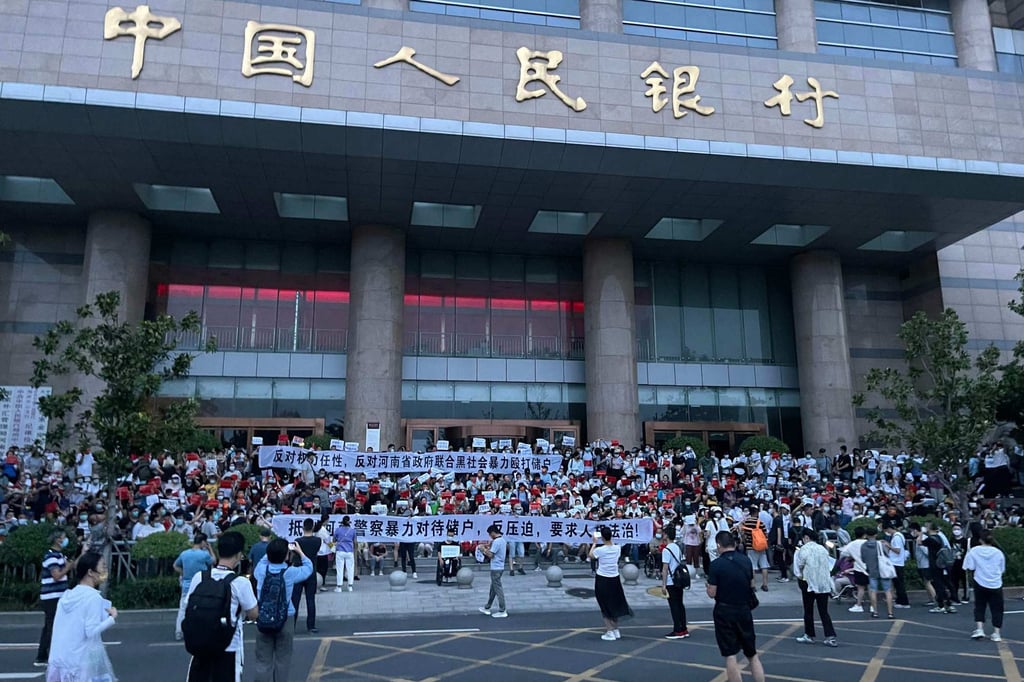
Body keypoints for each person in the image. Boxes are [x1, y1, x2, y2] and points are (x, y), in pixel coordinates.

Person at [185, 531, 259, 682]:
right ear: (239, 555)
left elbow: (188, 605)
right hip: (229, 647)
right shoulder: (240, 583)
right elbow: (254, 614)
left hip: (200, 644)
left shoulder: (200, 577)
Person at [46, 552, 118, 682]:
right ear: (90, 572)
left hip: (59, 660)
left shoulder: (67, 596)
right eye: (103, 567)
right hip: (79, 662)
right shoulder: (93, 597)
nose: (105, 571)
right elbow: (90, 631)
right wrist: (111, 618)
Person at [706, 531, 766, 682]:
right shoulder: (746, 561)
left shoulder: (715, 565)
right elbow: (752, 584)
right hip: (744, 609)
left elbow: (712, 593)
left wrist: (708, 586)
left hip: (724, 610)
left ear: (719, 545)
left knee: (730, 654)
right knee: (752, 654)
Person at [254, 538, 314, 682]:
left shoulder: (261, 570)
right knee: (283, 659)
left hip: (263, 616)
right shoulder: (290, 572)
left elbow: (263, 561)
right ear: (287, 555)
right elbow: (308, 568)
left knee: (263, 660)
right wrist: (300, 552)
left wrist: (272, 550)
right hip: (286, 617)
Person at [34, 529, 78, 667]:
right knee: (52, 626)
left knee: (50, 626)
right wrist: (68, 567)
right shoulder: (51, 556)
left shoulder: (59, 555)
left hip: (58, 595)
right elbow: (57, 575)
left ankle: (43, 656)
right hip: (51, 596)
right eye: (63, 538)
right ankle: (48, 656)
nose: (65, 540)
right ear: (58, 539)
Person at [793, 528, 838, 647]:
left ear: (806, 538)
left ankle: (809, 634)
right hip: (823, 582)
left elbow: (800, 566)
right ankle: (830, 636)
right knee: (824, 611)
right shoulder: (823, 549)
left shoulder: (803, 549)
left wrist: (800, 576)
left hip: (808, 582)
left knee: (808, 610)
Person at [589, 526, 632, 641]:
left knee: (604, 605)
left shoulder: (600, 550)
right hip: (615, 578)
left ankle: (609, 631)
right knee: (615, 603)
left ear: (602, 537)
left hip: (603, 579)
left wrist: (594, 543)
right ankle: (615, 629)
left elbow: (590, 556)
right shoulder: (617, 548)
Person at [963, 531, 1006, 641]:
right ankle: (996, 633)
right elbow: (1002, 569)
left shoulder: (974, 551)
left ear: (980, 540)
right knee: (997, 608)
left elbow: (970, 567)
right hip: (996, 582)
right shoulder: (998, 552)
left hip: (980, 580)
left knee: (980, 605)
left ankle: (980, 629)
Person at [174, 533, 215, 641]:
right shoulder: (204, 554)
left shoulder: (184, 554)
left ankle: (179, 631)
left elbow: (175, 565)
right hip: (201, 585)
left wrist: (183, 573)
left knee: (183, 609)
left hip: (186, 585)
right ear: (202, 542)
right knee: (202, 608)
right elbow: (213, 561)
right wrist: (210, 548)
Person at [293, 518, 322, 633]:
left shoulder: (297, 541)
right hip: (311, 571)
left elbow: (295, 555)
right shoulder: (317, 540)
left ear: (302, 527)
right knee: (311, 599)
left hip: (299, 571)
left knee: (295, 600)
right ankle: (311, 626)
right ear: (313, 527)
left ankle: (292, 625)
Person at [660, 524, 689, 639]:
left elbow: (665, 568)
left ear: (666, 535)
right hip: (679, 580)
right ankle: (684, 628)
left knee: (674, 606)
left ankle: (677, 630)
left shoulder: (666, 550)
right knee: (680, 604)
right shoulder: (677, 547)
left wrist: (663, 584)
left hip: (671, 581)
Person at [860, 527, 894, 619]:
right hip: (884, 571)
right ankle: (890, 613)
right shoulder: (880, 544)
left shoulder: (863, 546)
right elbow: (887, 554)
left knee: (873, 591)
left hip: (872, 570)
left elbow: (863, 559)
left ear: (866, 535)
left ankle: (875, 612)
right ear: (876, 535)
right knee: (887, 591)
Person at [478, 524, 509, 618]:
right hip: (499, 567)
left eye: (489, 534)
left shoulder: (497, 542)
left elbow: (491, 555)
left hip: (496, 567)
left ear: (492, 533)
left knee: (498, 589)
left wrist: (483, 549)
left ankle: (502, 609)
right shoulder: (502, 540)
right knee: (493, 589)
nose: (489, 536)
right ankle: (487, 607)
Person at [739, 506, 770, 592]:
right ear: (757, 513)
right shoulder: (760, 523)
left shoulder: (746, 522)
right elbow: (765, 535)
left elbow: (743, 534)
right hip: (762, 547)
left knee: (752, 566)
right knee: (764, 566)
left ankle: (753, 586)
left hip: (750, 547)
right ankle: (765, 585)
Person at [881, 522, 910, 609]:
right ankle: (899, 600)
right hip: (897, 562)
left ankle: (904, 602)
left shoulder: (897, 537)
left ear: (888, 528)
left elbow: (897, 550)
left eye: (886, 530)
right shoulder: (898, 536)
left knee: (899, 584)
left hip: (896, 562)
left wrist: (888, 546)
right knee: (898, 583)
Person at [333, 515, 356, 592]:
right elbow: (355, 542)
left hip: (340, 550)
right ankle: (350, 586)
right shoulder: (352, 531)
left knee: (339, 569)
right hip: (349, 551)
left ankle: (339, 586)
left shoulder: (338, 530)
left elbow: (334, 539)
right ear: (349, 522)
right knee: (350, 569)